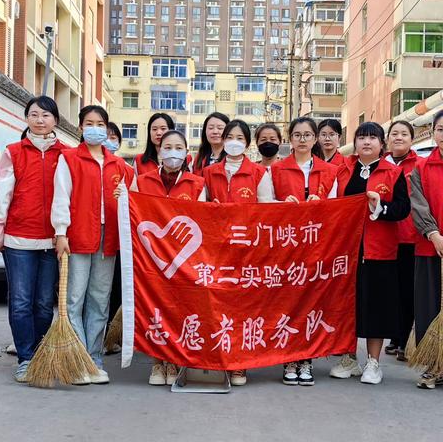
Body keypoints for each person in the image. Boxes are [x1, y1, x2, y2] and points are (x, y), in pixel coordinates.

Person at [52, 105, 134, 385]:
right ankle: (78, 361)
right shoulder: (69, 159)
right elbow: (61, 196)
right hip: (77, 235)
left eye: (100, 123)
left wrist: (125, 197)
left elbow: (133, 202)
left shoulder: (119, 165)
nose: (95, 128)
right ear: (80, 128)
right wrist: (61, 232)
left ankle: (94, 358)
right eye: (89, 123)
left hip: (108, 238)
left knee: (99, 301)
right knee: (74, 298)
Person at [0, 96, 65, 383]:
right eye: (34, 114)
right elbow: (3, 195)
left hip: (51, 240)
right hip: (18, 239)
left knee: (44, 303)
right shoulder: (13, 152)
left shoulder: (65, 154)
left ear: (55, 120)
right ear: (26, 119)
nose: (40, 120)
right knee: (20, 301)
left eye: (46, 115)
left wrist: (63, 233)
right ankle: (25, 358)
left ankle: (41, 354)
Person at [330, 122, 410, 385]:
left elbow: (402, 209)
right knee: (347, 306)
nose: (366, 142)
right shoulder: (343, 171)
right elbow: (331, 206)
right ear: (354, 142)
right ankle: (349, 358)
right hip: (347, 250)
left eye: (372, 138)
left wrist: (380, 208)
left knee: (376, 307)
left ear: (381, 144)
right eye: (361, 137)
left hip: (379, 251)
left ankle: (373, 363)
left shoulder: (392, 172)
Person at [131, 130, 205, 385]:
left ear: (186, 152)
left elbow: (203, 221)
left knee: (180, 308)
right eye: (167, 147)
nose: (173, 152)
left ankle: (175, 361)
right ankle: (156, 363)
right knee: (154, 307)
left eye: (178, 147)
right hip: (150, 257)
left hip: (185, 260)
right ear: (159, 151)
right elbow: (130, 213)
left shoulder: (197, 184)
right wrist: (122, 200)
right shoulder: (142, 181)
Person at [204, 119, 274, 386]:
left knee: (244, 307)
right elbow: (200, 207)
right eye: (229, 136)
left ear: (247, 143)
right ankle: (220, 358)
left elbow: (266, 211)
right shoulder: (209, 172)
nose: (233, 141)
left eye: (240, 138)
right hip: (216, 250)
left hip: (247, 251)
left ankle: (240, 364)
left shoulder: (258, 173)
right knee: (218, 306)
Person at [271, 116, 337, 386]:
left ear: (315, 139)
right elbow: (265, 204)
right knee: (287, 301)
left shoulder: (328, 171)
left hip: (315, 246)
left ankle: (306, 359)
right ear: (289, 139)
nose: (302, 139)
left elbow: (335, 209)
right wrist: (281, 203)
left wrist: (319, 204)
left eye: (307, 135)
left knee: (311, 301)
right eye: (297, 134)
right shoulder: (276, 170)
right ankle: (288, 358)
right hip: (286, 246)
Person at [410, 110, 443, 389]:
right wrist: (433, 234)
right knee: (429, 306)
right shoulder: (421, 167)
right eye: (441, 129)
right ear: (433, 132)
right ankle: (433, 366)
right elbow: (418, 204)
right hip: (429, 247)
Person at [384, 120, 420, 361]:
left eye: (404, 134)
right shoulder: (380, 163)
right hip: (384, 237)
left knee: (408, 291)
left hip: (410, 237)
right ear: (387, 138)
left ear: (412, 139)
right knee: (390, 291)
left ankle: (403, 338)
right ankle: (393, 335)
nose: (399, 137)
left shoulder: (419, 165)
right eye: (394, 133)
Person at [102, 122, 135, 353]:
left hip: (123, 240)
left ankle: (114, 337)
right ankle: (96, 340)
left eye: (114, 137)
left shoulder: (127, 170)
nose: (109, 140)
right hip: (95, 239)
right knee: (97, 293)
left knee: (116, 290)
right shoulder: (79, 163)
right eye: (106, 135)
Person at [192, 112, 230, 176]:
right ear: (205, 131)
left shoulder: (233, 157)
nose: (215, 132)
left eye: (220, 128)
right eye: (210, 128)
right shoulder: (200, 157)